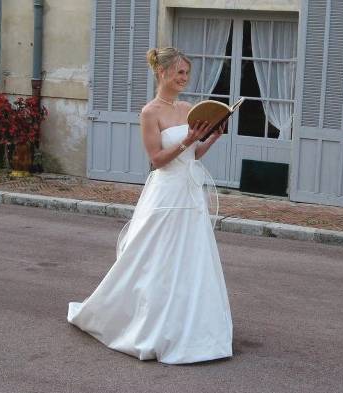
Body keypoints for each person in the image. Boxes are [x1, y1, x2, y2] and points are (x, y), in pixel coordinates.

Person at [67, 47, 233, 364]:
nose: (185, 78)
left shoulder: (188, 108)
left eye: (187, 73)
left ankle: (191, 325)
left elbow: (192, 156)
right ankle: (143, 322)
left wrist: (211, 139)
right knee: (152, 256)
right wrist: (187, 140)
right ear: (162, 73)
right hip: (166, 192)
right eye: (180, 72)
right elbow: (156, 160)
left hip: (189, 192)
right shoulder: (150, 112)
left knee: (192, 258)